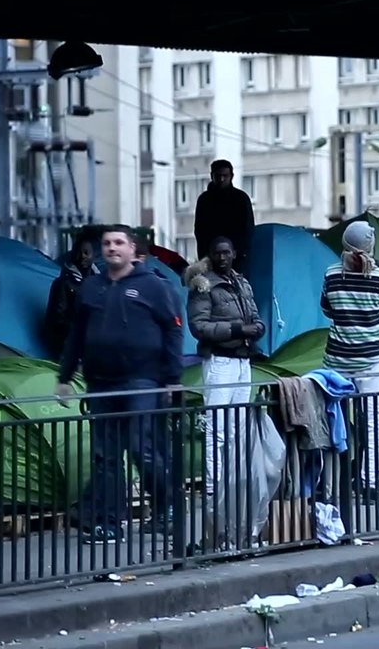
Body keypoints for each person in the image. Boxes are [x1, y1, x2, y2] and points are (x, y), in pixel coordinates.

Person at [55, 225, 183, 544]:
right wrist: (65, 377)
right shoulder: (91, 287)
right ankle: (109, 522)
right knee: (105, 457)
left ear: (132, 250)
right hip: (101, 383)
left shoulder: (154, 286)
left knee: (142, 449)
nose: (111, 248)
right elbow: (76, 334)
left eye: (118, 243)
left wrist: (172, 379)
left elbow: (173, 330)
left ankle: (167, 504)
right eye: (107, 243)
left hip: (142, 380)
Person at [185, 236, 266, 544]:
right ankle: (212, 488)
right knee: (216, 429)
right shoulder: (202, 285)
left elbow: (255, 315)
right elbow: (199, 327)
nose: (222, 257)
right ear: (211, 255)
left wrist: (257, 328)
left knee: (237, 429)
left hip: (243, 360)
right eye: (217, 253)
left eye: (227, 252)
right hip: (219, 361)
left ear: (234, 254)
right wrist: (238, 329)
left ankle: (230, 485)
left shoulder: (241, 282)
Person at [321, 221, 379, 504]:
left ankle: (333, 484)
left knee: (334, 423)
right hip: (375, 359)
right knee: (376, 424)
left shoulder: (331, 274)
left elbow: (327, 308)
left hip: (338, 359)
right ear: (370, 246)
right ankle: (372, 484)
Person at [194, 159, 255, 271]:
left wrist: (241, 254)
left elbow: (248, 230)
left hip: (236, 259)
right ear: (212, 176)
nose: (221, 179)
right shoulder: (204, 200)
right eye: (218, 176)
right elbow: (200, 230)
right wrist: (204, 257)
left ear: (231, 176)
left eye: (225, 176)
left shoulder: (241, 199)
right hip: (210, 258)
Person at [44, 237, 98, 359]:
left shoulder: (100, 283)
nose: (82, 256)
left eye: (86, 252)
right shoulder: (63, 283)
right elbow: (58, 319)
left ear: (93, 255)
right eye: (78, 252)